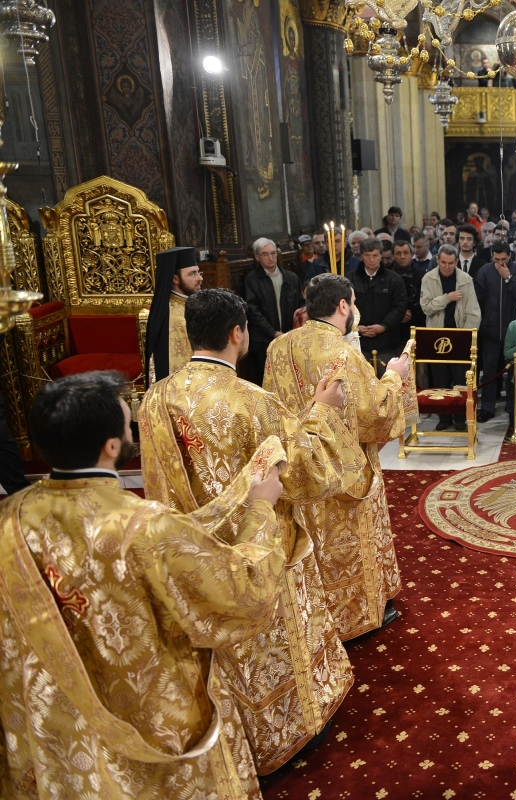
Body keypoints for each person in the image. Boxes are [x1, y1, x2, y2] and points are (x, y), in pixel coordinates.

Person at [0, 370, 286, 799]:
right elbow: (241, 592)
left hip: (57, 731)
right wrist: (260, 511)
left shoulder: (9, 521)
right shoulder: (145, 526)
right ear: (112, 446)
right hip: (151, 725)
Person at [139, 289, 357, 773]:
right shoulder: (253, 402)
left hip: (189, 551)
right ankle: (289, 728)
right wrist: (322, 409)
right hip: (257, 548)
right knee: (271, 638)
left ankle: (239, 734)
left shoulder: (156, 399)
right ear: (238, 334)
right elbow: (309, 472)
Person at [264, 273, 413, 640]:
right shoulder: (344, 352)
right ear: (344, 305)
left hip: (299, 465)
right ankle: (354, 619)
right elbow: (375, 417)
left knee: (312, 543)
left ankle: (319, 616)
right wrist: (395, 377)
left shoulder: (278, 347)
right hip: (345, 472)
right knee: (347, 545)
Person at [420, 244, 482, 431]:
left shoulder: (465, 280)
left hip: (459, 335)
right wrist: (447, 298)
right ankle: (444, 417)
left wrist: (465, 336)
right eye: (443, 263)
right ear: (437, 260)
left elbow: (474, 313)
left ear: (456, 262)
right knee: (440, 378)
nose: (447, 267)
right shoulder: (428, 278)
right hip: (436, 335)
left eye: (450, 263)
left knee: (461, 379)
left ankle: (460, 417)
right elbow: (427, 307)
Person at [474, 246, 516, 422]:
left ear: (510, 256)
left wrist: (508, 277)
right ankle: (486, 407)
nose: (500, 263)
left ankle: (512, 406)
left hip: (513, 331)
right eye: (496, 259)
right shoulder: (485, 271)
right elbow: (478, 300)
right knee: (490, 371)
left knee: (513, 371)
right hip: (490, 330)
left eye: (503, 259)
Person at [243, 237, 302, 385]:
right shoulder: (251, 279)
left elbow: (300, 305)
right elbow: (252, 310)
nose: (271, 258)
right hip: (263, 341)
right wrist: (273, 332)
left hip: (289, 338)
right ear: (257, 257)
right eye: (265, 254)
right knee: (268, 382)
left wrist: (294, 331)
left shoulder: (291, 277)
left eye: (273, 253)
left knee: (290, 382)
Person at [145, 246, 203, 383]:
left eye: (199, 272)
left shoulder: (192, 304)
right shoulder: (173, 319)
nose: (200, 278)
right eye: (192, 274)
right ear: (175, 279)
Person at [350, 237, 408, 373]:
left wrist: (384, 326)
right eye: (367, 255)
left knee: (387, 380)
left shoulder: (394, 279)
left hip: (386, 342)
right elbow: (345, 307)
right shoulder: (350, 279)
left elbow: (399, 306)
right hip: (358, 342)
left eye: (375, 255)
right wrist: (356, 327)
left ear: (381, 256)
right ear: (361, 256)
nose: (371, 259)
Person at [391, 239, 427, 345]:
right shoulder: (386, 276)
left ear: (412, 254)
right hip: (393, 330)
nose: (402, 256)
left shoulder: (422, 276)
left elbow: (427, 300)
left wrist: (414, 313)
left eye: (406, 253)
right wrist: (399, 314)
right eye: (398, 253)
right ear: (392, 255)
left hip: (417, 327)